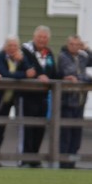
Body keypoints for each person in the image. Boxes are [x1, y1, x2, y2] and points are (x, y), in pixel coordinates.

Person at [0, 36, 35, 167]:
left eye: (15, 46)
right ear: (5, 47)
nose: (12, 48)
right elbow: (4, 73)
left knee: (0, 130)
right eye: (10, 45)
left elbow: (31, 72)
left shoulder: (21, 58)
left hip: (7, 101)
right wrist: (23, 75)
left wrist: (22, 62)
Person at [57, 35, 92, 169]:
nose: (74, 47)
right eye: (72, 44)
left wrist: (87, 49)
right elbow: (73, 74)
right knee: (66, 134)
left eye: (77, 44)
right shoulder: (63, 56)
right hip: (67, 101)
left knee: (76, 135)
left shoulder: (82, 56)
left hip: (80, 100)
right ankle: (63, 163)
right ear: (67, 44)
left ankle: (72, 163)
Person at [20, 25, 59, 167]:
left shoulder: (49, 53)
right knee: (27, 127)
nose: (42, 40)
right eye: (40, 37)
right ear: (34, 37)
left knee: (40, 128)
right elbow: (26, 66)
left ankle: (34, 158)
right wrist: (38, 75)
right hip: (28, 95)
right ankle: (25, 159)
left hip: (43, 96)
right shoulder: (25, 50)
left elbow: (53, 72)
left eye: (45, 37)